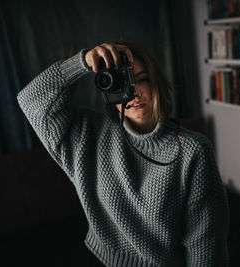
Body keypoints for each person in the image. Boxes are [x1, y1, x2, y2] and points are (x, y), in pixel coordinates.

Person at [17, 41, 229, 267]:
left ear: (156, 82)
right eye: (123, 80)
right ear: (108, 87)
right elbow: (31, 101)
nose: (133, 90)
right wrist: (84, 63)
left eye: (142, 78)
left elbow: (204, 244)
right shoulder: (88, 136)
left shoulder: (192, 151)